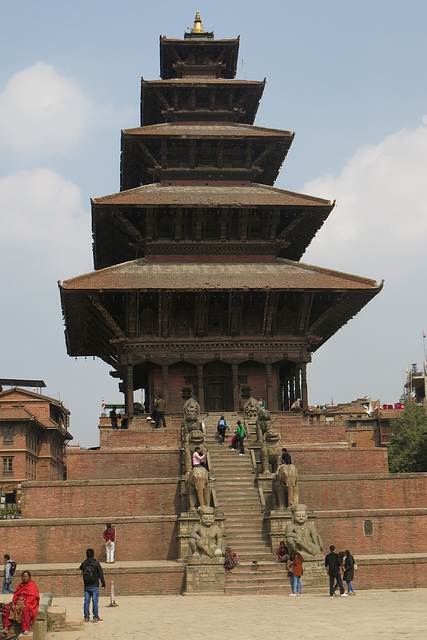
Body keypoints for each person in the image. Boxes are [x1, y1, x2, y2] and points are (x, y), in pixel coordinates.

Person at [1, 570, 39, 637]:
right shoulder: (20, 585)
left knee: (25, 610)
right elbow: (16, 595)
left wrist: (24, 604)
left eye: (26, 576)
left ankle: (26, 629)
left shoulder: (32, 585)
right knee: (6, 610)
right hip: (18, 603)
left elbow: (33, 597)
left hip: (27, 603)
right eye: (23, 577)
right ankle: (6, 628)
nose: (25, 578)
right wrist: (13, 603)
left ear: (29, 577)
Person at [79, 548, 106, 623]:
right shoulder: (96, 563)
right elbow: (100, 574)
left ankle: (86, 617)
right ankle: (95, 618)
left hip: (87, 585)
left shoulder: (84, 563)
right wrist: (103, 584)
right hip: (95, 585)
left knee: (86, 601)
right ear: (93, 555)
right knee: (95, 601)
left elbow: (80, 568)